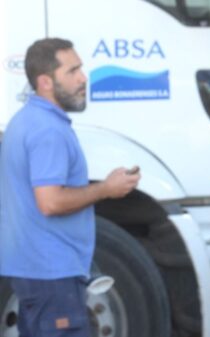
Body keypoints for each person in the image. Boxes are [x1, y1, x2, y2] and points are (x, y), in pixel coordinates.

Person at [0, 38, 141, 337]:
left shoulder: (27, 120)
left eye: (81, 69)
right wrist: (106, 189)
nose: (83, 78)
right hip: (53, 275)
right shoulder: (47, 130)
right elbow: (50, 202)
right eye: (73, 71)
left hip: (37, 272)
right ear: (45, 82)